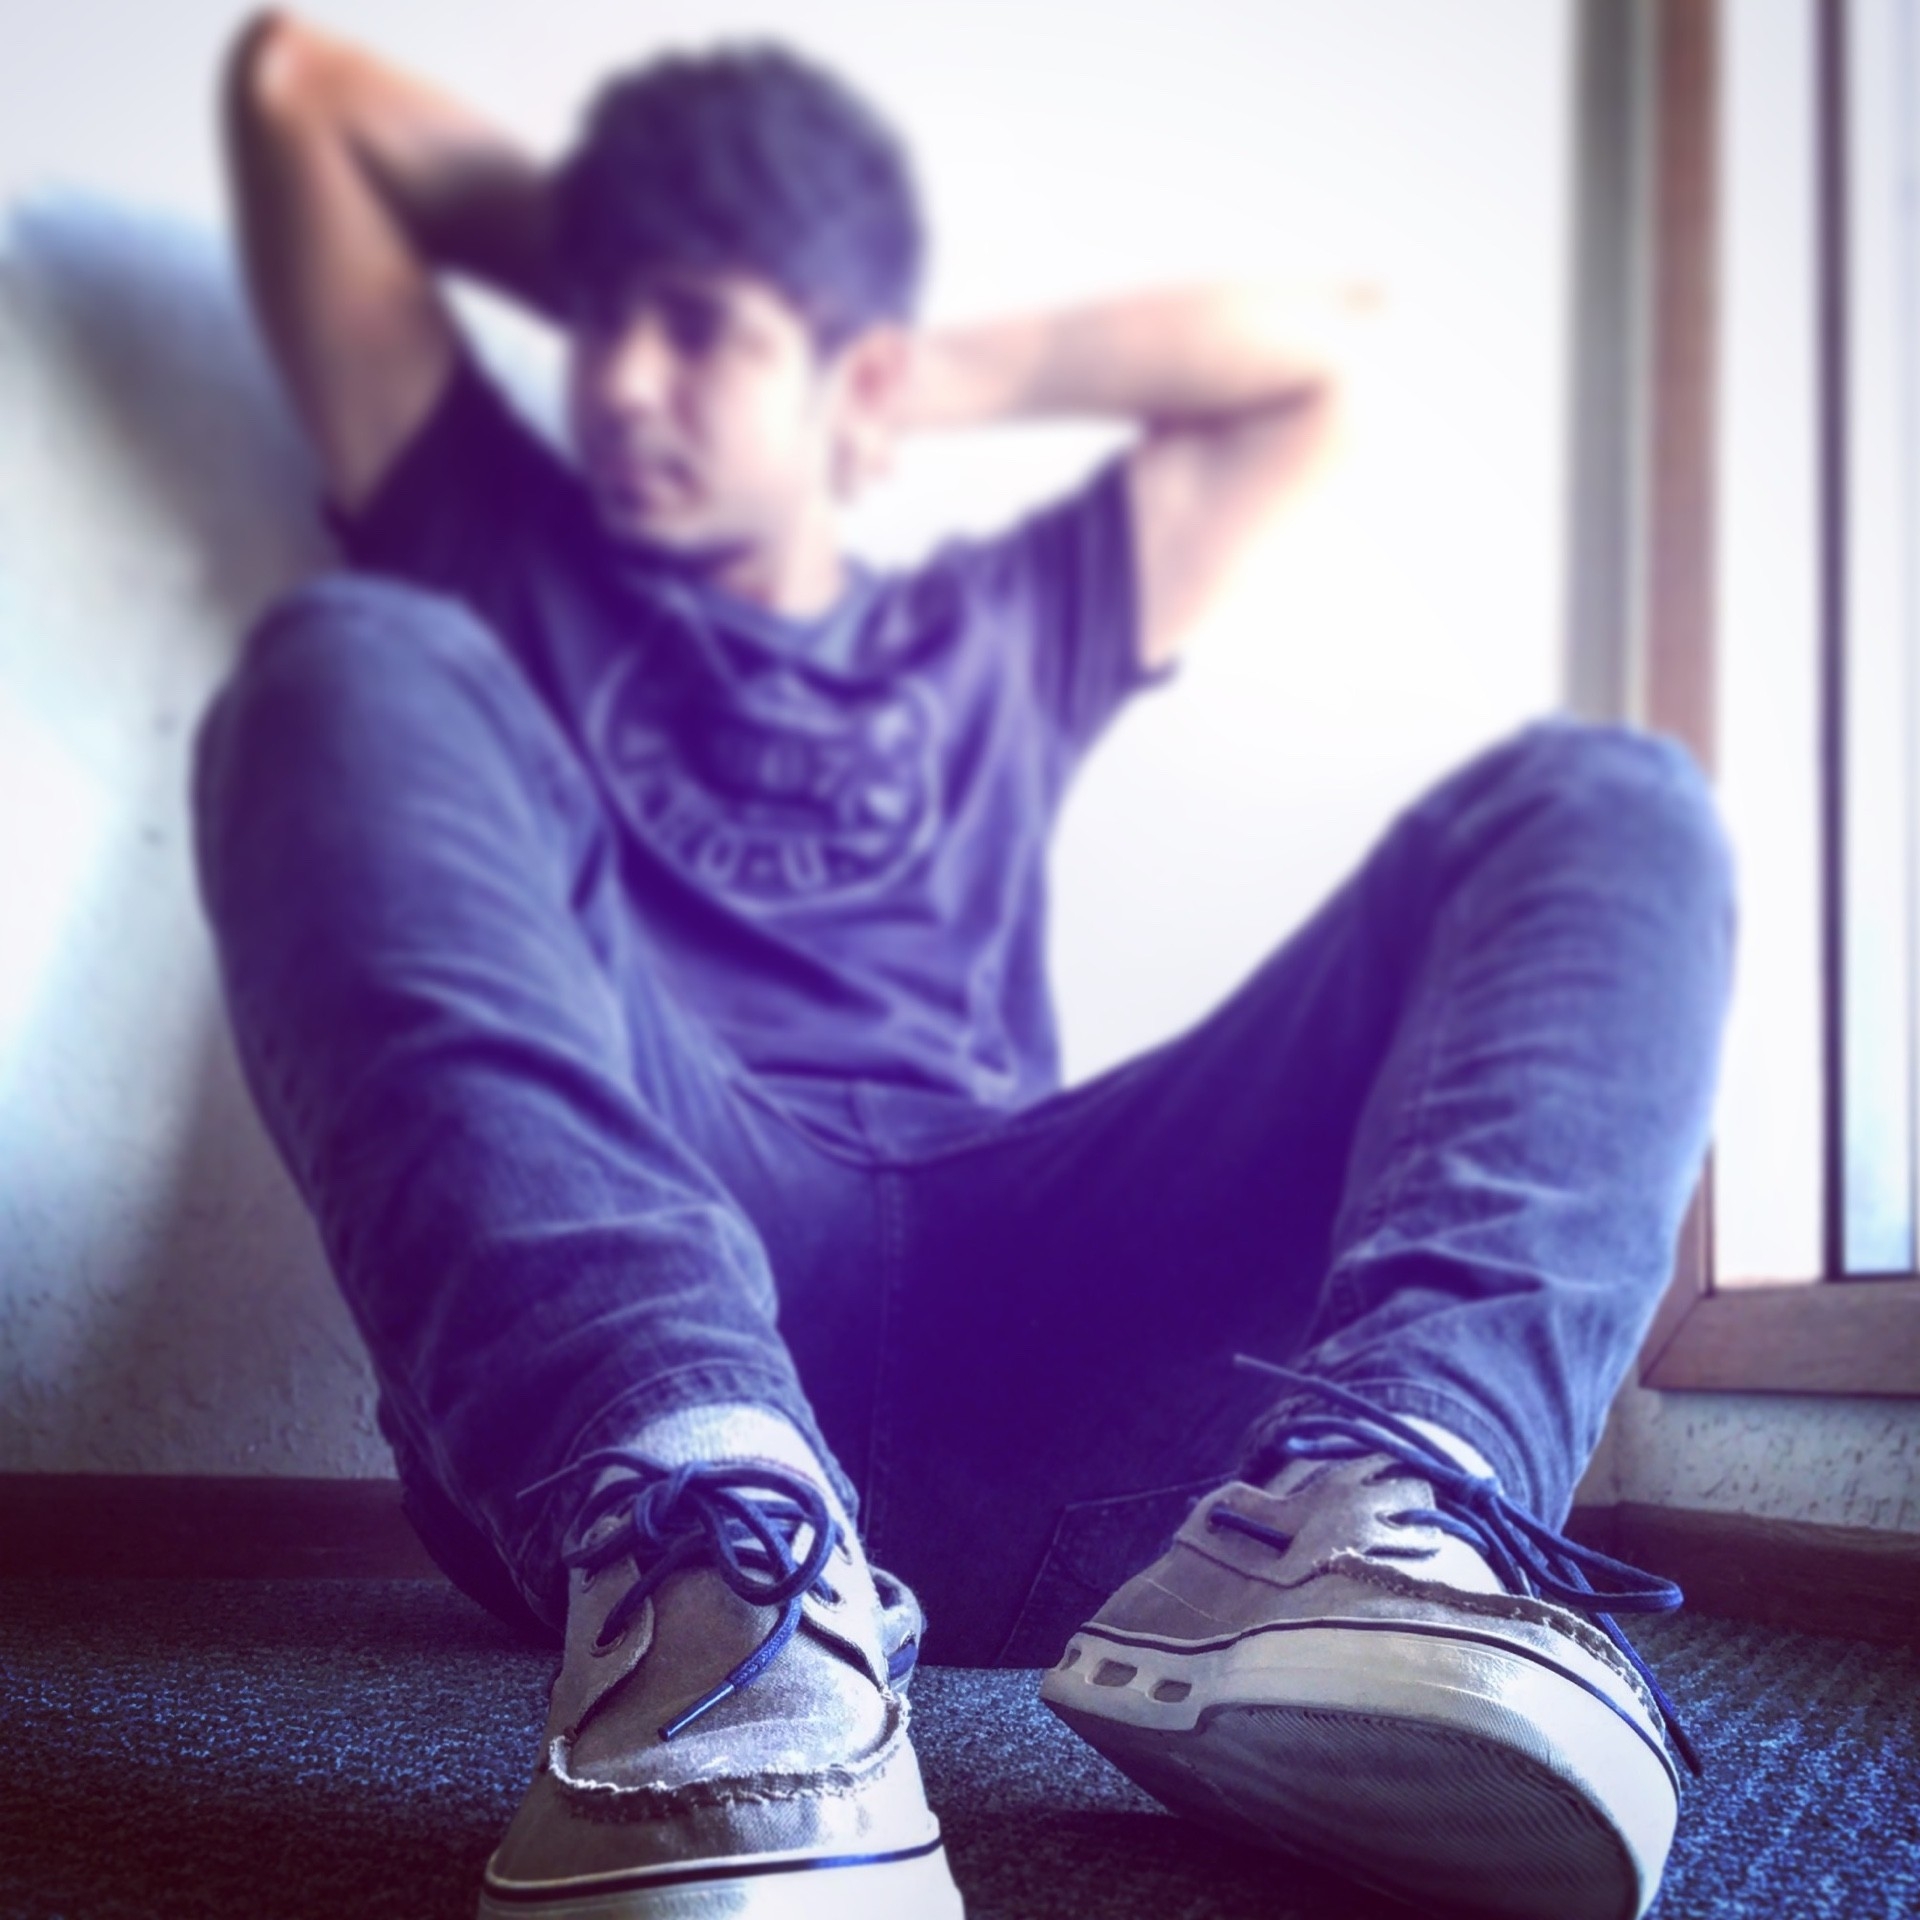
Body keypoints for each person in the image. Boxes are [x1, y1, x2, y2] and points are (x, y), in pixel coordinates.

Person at [193, 12, 1735, 1919]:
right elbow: (298, 91)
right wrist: (646, 248)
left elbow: (1320, 357)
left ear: (853, 379)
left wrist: (902, 363)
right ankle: (712, 1549)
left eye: (697, 333)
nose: (623, 385)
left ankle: (1385, 1532)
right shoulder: (497, 540)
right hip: (645, 1309)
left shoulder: (1013, 617)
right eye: (600, 331)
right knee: (342, 663)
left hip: (1045, 1350)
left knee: (1609, 800)